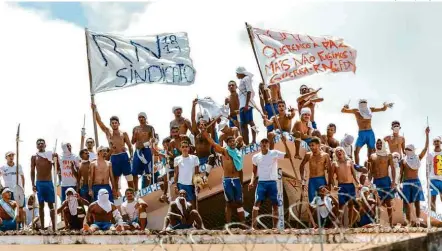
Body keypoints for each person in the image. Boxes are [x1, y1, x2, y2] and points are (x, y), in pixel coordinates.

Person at [202, 131, 245, 223]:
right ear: (227, 144)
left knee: (240, 202)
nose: (232, 143)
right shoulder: (225, 151)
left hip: (237, 179)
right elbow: (214, 144)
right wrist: (206, 134)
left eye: (233, 141)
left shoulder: (238, 154)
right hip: (228, 180)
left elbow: (240, 170)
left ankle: (244, 224)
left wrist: (241, 183)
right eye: (230, 142)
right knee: (229, 203)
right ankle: (228, 225)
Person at [248, 138, 290, 229]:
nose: (264, 144)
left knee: (275, 204)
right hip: (261, 182)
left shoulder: (274, 153)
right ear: (260, 145)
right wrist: (252, 182)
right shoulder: (255, 157)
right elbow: (254, 171)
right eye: (262, 142)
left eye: (266, 142)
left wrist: (285, 143)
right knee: (257, 202)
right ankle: (253, 227)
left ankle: (275, 227)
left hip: (272, 182)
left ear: (268, 144)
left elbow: (288, 156)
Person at [92, 103, 134, 192]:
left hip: (124, 156)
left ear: (118, 123)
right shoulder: (108, 132)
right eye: (113, 123)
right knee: (115, 178)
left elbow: (130, 146)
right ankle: (116, 195)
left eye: (116, 123)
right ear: (110, 124)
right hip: (114, 157)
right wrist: (95, 110)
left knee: (129, 177)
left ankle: (133, 192)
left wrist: (131, 156)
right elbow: (99, 122)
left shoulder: (124, 133)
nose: (114, 124)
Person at [341, 99, 393, 165]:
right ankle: (358, 167)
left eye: (364, 102)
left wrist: (385, 105)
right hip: (361, 133)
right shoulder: (355, 111)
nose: (363, 103)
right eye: (362, 102)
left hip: (370, 133)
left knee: (371, 152)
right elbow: (343, 111)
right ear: (359, 104)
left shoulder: (370, 110)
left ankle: (370, 168)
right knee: (355, 151)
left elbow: (383, 109)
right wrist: (345, 106)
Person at [399, 127, 429, 226]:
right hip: (406, 183)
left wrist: (427, 134)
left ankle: (417, 221)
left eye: (408, 149)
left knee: (417, 202)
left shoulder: (417, 158)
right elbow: (401, 173)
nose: (407, 150)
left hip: (416, 182)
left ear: (412, 150)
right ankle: (408, 221)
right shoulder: (403, 160)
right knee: (406, 203)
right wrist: (399, 183)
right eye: (406, 149)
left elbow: (425, 148)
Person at [367, 138, 395, 227]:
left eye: (380, 143)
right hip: (376, 181)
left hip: (386, 181)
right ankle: (377, 223)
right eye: (377, 143)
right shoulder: (372, 156)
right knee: (376, 202)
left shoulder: (388, 155)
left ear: (383, 144)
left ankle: (391, 224)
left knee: (388, 202)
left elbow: (393, 169)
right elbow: (370, 170)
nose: (378, 144)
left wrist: (393, 181)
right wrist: (369, 182)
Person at [330, 147, 361, 227]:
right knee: (341, 205)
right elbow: (331, 177)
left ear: (343, 152)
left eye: (340, 150)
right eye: (337, 151)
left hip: (350, 185)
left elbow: (354, 174)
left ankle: (350, 224)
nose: (339, 152)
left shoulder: (349, 161)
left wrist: (358, 183)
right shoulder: (334, 163)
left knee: (351, 205)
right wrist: (334, 186)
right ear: (335, 154)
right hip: (341, 186)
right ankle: (339, 225)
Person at [31, 138, 56, 231]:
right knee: (41, 205)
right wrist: (33, 184)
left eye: (42, 143)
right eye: (39, 143)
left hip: (49, 182)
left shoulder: (50, 155)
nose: (40, 144)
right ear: (37, 146)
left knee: (51, 205)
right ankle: (42, 227)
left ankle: (54, 227)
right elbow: (32, 171)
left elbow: (56, 167)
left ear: (45, 145)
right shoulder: (34, 156)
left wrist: (55, 159)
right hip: (39, 183)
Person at [299, 137, 332, 206]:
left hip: (321, 180)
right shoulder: (308, 155)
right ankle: (314, 216)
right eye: (310, 145)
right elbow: (301, 165)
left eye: (312, 145)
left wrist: (329, 184)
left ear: (318, 145)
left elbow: (330, 170)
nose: (311, 147)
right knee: (312, 203)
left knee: (324, 201)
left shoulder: (325, 155)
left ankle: (324, 217)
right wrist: (302, 177)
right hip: (312, 181)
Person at [132, 112, 156, 191]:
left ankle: (146, 189)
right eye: (140, 117)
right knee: (134, 172)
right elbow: (132, 142)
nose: (141, 119)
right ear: (138, 118)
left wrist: (147, 143)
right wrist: (134, 136)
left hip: (146, 150)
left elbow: (154, 140)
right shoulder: (135, 128)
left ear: (145, 118)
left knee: (148, 172)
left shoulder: (150, 128)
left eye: (143, 117)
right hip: (138, 151)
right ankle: (135, 190)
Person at [173, 141, 200, 209]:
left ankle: (193, 219)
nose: (184, 148)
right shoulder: (176, 159)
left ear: (189, 148)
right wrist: (175, 186)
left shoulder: (195, 158)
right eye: (183, 147)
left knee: (192, 205)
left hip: (191, 185)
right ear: (180, 148)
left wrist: (198, 184)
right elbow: (176, 173)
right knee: (183, 205)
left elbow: (197, 173)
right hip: (181, 185)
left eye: (186, 146)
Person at [191, 99, 215, 176]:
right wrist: (193, 106)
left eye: (205, 124)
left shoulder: (209, 135)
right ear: (198, 126)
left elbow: (212, 120)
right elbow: (193, 120)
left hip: (208, 159)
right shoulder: (196, 134)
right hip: (198, 160)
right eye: (201, 124)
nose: (203, 126)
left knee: (212, 156)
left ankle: (206, 176)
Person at [236, 66, 257, 145]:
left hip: (246, 104)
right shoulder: (242, 80)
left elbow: (249, 91)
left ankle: (254, 140)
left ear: (240, 73)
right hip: (242, 105)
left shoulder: (246, 78)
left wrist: (246, 105)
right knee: (243, 125)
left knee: (250, 122)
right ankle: (246, 143)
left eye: (237, 73)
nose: (236, 75)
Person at [429, 136, 442, 211]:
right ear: (433, 143)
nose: (436, 142)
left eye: (438, 141)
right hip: (432, 179)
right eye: (435, 141)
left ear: (440, 142)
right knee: (433, 199)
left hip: (441, 179)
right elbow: (427, 167)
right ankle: (433, 216)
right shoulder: (430, 154)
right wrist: (427, 178)